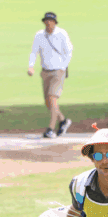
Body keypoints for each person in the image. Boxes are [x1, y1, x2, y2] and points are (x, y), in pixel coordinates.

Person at [27, 11, 73, 139]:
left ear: (55, 22)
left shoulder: (61, 34)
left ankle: (50, 129)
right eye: (46, 21)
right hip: (45, 71)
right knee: (48, 102)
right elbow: (34, 52)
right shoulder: (39, 35)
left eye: (51, 21)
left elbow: (69, 51)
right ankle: (63, 121)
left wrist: (63, 66)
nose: (48, 23)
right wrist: (31, 66)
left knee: (52, 98)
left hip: (58, 71)